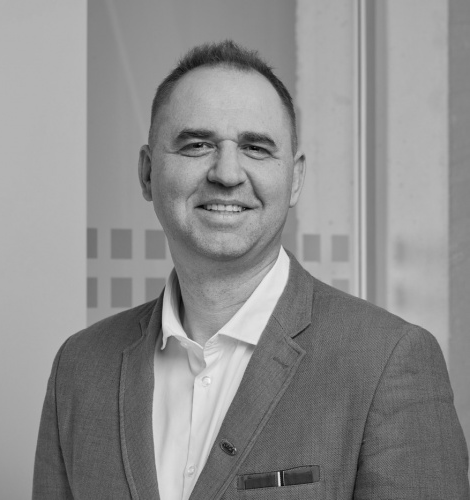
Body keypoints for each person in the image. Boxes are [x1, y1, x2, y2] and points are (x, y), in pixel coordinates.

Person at [33, 40, 469, 499]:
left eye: (256, 148)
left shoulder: (387, 361)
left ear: (295, 179)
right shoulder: (79, 368)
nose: (226, 173)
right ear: (147, 173)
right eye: (197, 145)